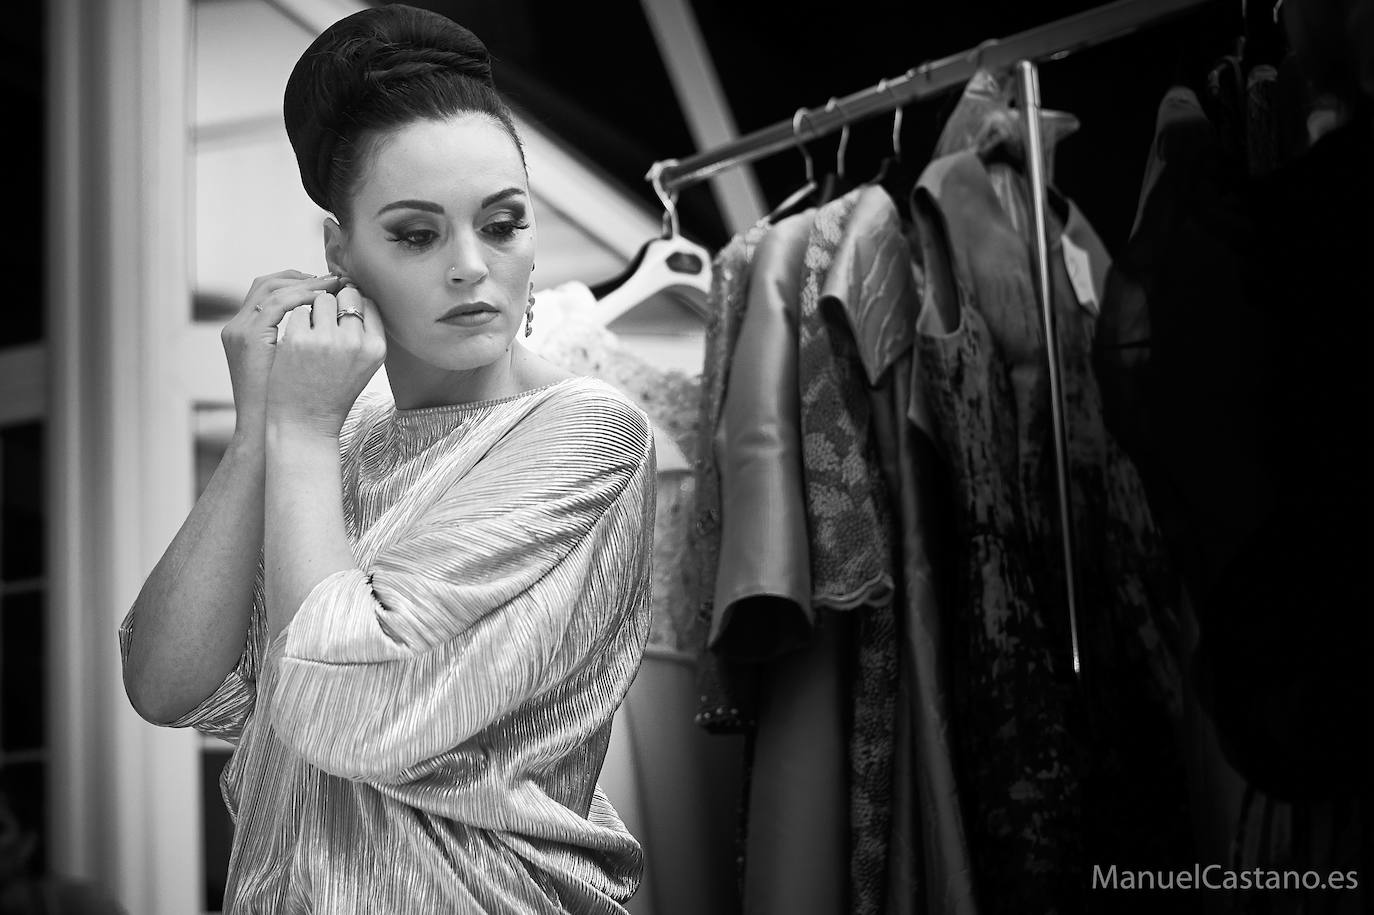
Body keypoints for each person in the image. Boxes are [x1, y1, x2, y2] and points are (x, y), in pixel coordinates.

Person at [118, 6, 655, 912]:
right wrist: (261, 428)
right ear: (340, 252)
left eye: (504, 224)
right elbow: (166, 683)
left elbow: (344, 709)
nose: (471, 267)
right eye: (415, 233)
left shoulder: (584, 430)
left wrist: (299, 435)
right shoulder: (329, 429)